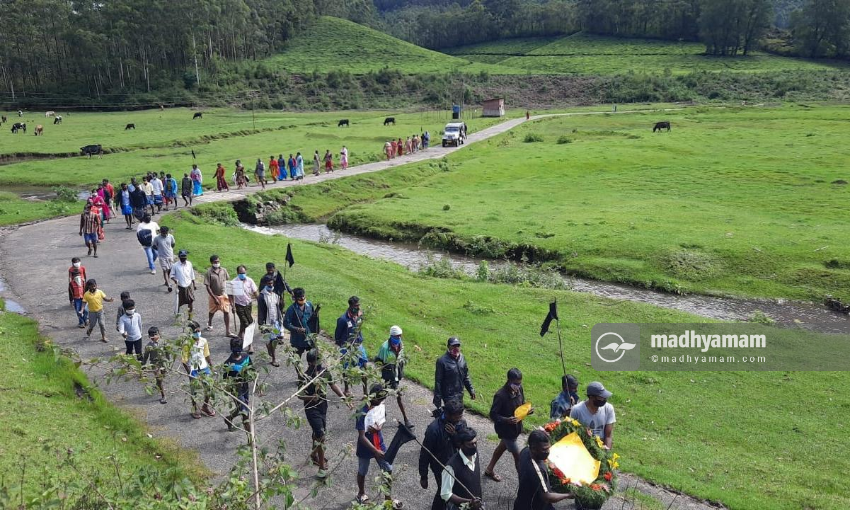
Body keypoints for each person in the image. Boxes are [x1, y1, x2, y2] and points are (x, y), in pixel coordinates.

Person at [297, 348, 352, 478]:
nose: (319, 363)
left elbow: (333, 385)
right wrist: (311, 397)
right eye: (317, 361)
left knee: (318, 433)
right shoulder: (305, 377)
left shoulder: (324, 372)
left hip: (323, 407)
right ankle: (321, 467)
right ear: (310, 363)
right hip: (311, 409)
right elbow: (299, 395)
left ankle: (313, 455)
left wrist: (344, 398)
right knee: (321, 436)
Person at [356, 384, 402, 508]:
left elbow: (382, 417)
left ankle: (388, 498)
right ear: (373, 397)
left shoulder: (380, 404)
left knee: (388, 468)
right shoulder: (361, 410)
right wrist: (375, 451)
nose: (381, 402)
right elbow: (362, 437)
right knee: (362, 470)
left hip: (378, 442)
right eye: (379, 399)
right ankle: (361, 493)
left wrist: (378, 428)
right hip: (365, 446)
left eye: (383, 399)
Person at [419, 399, 468, 510]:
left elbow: (464, 443)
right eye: (457, 417)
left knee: (452, 489)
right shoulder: (433, 430)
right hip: (440, 466)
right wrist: (423, 476)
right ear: (447, 415)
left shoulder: (461, 422)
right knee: (444, 491)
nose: (460, 419)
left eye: (461, 415)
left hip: (456, 463)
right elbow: (425, 453)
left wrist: (454, 435)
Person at [485, 368, 528, 481]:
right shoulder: (500, 396)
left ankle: (489, 469)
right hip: (507, 432)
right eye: (516, 384)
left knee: (501, 448)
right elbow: (493, 414)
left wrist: (527, 410)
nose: (518, 386)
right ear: (509, 380)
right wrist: (506, 420)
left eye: (519, 383)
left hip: (516, 428)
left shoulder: (519, 389)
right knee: (518, 458)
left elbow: (521, 405)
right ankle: (523, 482)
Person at [513, 431, 573, 510]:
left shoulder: (525, 451)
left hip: (522, 501)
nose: (547, 452)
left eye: (548, 448)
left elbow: (518, 466)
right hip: (533, 506)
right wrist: (569, 495)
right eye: (544, 449)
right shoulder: (536, 470)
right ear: (534, 449)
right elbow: (547, 497)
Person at [374, 325, 412, 427]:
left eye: (400, 336)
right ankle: (405, 419)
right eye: (397, 336)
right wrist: (385, 370)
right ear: (391, 336)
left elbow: (401, 359)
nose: (399, 338)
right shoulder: (384, 347)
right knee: (385, 397)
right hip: (387, 377)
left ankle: (404, 418)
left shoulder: (401, 345)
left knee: (394, 396)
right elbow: (378, 361)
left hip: (396, 376)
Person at [441, 427, 483, 510]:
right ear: (461, 445)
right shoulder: (451, 467)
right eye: (470, 444)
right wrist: (469, 502)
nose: (474, 446)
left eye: (475, 443)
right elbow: (446, 494)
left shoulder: (475, 453)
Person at [182, 320, 216, 419]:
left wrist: (211, 365)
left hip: (204, 367)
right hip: (193, 368)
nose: (198, 333)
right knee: (194, 390)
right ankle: (195, 408)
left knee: (209, 387)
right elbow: (184, 360)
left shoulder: (203, 341)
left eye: (198, 330)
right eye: (195, 331)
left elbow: (206, 354)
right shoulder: (187, 343)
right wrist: (189, 372)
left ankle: (205, 406)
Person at [433, 337, 476, 412]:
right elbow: (438, 381)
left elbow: (465, 376)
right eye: (453, 346)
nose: (456, 348)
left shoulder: (462, 358)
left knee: (458, 414)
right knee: (452, 415)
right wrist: (437, 399)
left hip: (460, 394)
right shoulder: (441, 361)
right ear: (448, 346)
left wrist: (471, 390)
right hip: (448, 396)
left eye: (457, 346)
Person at [570, 381, 615, 449]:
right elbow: (571, 433)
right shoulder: (577, 410)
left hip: (601, 447)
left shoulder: (608, 408)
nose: (604, 399)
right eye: (601, 397)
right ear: (591, 397)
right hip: (581, 447)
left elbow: (608, 436)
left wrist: (607, 451)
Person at [223, 336, 253, 432]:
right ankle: (250, 437)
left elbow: (252, 370)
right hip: (235, 389)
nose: (237, 353)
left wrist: (257, 386)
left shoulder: (246, 357)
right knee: (245, 412)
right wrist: (227, 389)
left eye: (239, 350)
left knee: (242, 407)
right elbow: (225, 379)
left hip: (245, 387)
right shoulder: (228, 364)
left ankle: (229, 418)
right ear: (231, 349)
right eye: (235, 350)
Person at [204, 255, 232, 336]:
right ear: (211, 262)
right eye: (215, 262)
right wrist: (214, 298)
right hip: (213, 296)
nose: (217, 263)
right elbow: (208, 287)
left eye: (218, 261)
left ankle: (227, 331)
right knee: (212, 311)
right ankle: (210, 323)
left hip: (223, 295)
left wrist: (230, 295)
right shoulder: (208, 272)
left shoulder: (224, 270)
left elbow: (227, 281)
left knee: (226, 312)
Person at [258, 274, 283, 365]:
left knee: (275, 340)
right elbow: (260, 310)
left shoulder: (276, 294)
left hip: (276, 321)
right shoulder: (262, 296)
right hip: (267, 322)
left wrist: (281, 302)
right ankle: (273, 358)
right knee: (271, 340)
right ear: (265, 284)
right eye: (269, 284)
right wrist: (261, 323)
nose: (271, 285)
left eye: (272, 283)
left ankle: (272, 354)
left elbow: (279, 307)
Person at [230, 265, 258, 341]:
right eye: (241, 273)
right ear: (237, 273)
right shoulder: (233, 282)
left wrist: (259, 301)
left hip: (248, 304)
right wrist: (232, 306)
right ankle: (249, 343)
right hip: (239, 306)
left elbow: (255, 292)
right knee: (247, 323)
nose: (242, 274)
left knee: (244, 321)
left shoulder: (250, 280)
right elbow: (230, 295)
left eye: (244, 273)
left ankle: (240, 335)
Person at [283, 287, 314, 357]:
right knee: (296, 358)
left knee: (314, 356)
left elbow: (313, 320)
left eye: (303, 296)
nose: (302, 298)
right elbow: (286, 323)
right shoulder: (291, 309)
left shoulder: (310, 305)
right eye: (300, 297)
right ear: (295, 298)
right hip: (297, 339)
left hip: (309, 336)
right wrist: (297, 329)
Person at [142, 327, 168, 404]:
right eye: (152, 335)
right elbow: (145, 357)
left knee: (162, 376)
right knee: (159, 379)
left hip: (163, 362)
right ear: (149, 336)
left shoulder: (163, 342)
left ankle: (157, 384)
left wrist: (168, 362)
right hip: (155, 364)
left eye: (156, 334)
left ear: (159, 334)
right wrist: (143, 366)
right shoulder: (148, 346)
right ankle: (163, 396)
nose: (154, 336)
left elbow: (167, 352)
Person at [170, 249, 196, 319]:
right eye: (182, 257)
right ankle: (177, 316)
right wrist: (174, 280)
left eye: (184, 257)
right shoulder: (175, 265)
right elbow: (171, 275)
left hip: (189, 286)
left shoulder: (189, 264)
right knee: (179, 303)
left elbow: (192, 274)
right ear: (179, 257)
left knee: (191, 301)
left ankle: (190, 317)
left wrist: (194, 284)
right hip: (180, 287)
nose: (183, 259)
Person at [153, 226, 176, 291]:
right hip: (162, 257)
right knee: (165, 270)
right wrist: (160, 250)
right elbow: (154, 246)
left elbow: (173, 244)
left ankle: (166, 281)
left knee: (170, 269)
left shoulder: (171, 236)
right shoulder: (157, 238)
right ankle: (169, 284)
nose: (165, 234)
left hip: (170, 256)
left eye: (166, 233)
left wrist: (169, 250)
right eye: (163, 233)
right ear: (161, 232)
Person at [68, 258, 88, 328]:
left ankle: (85, 319)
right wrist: (71, 301)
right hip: (76, 298)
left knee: (86, 310)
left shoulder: (83, 283)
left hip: (83, 297)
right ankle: (81, 322)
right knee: (78, 311)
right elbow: (70, 292)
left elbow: (86, 290)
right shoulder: (71, 284)